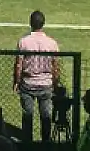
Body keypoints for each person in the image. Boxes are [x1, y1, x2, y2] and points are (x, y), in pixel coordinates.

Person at [14, 11, 59, 143]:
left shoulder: (24, 42)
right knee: (46, 116)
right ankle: (46, 142)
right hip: (46, 84)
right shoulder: (52, 43)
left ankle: (27, 142)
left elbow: (18, 64)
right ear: (43, 24)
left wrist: (16, 81)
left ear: (30, 23)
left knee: (27, 115)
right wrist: (55, 83)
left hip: (28, 83)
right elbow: (55, 66)